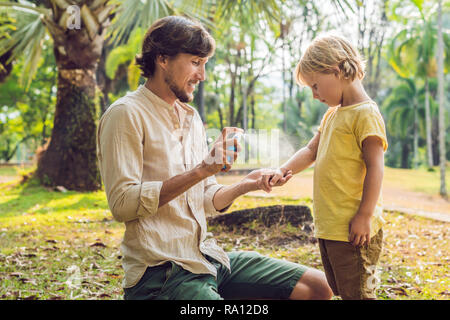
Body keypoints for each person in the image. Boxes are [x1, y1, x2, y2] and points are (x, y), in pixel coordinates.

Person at [96, 15, 332, 300]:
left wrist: (248, 184)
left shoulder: (191, 118)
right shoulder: (126, 114)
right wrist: (199, 171)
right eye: (196, 62)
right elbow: (122, 204)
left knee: (317, 288)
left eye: (204, 64)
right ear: (162, 59)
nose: (202, 75)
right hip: (160, 274)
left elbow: (205, 198)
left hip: (205, 258)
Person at [269, 34, 388, 300]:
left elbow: (376, 168)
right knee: (341, 289)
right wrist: (283, 170)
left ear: (335, 71)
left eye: (315, 86)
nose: (314, 95)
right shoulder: (334, 114)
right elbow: (311, 150)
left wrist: (365, 216)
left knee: (358, 293)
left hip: (354, 229)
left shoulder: (365, 114)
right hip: (331, 227)